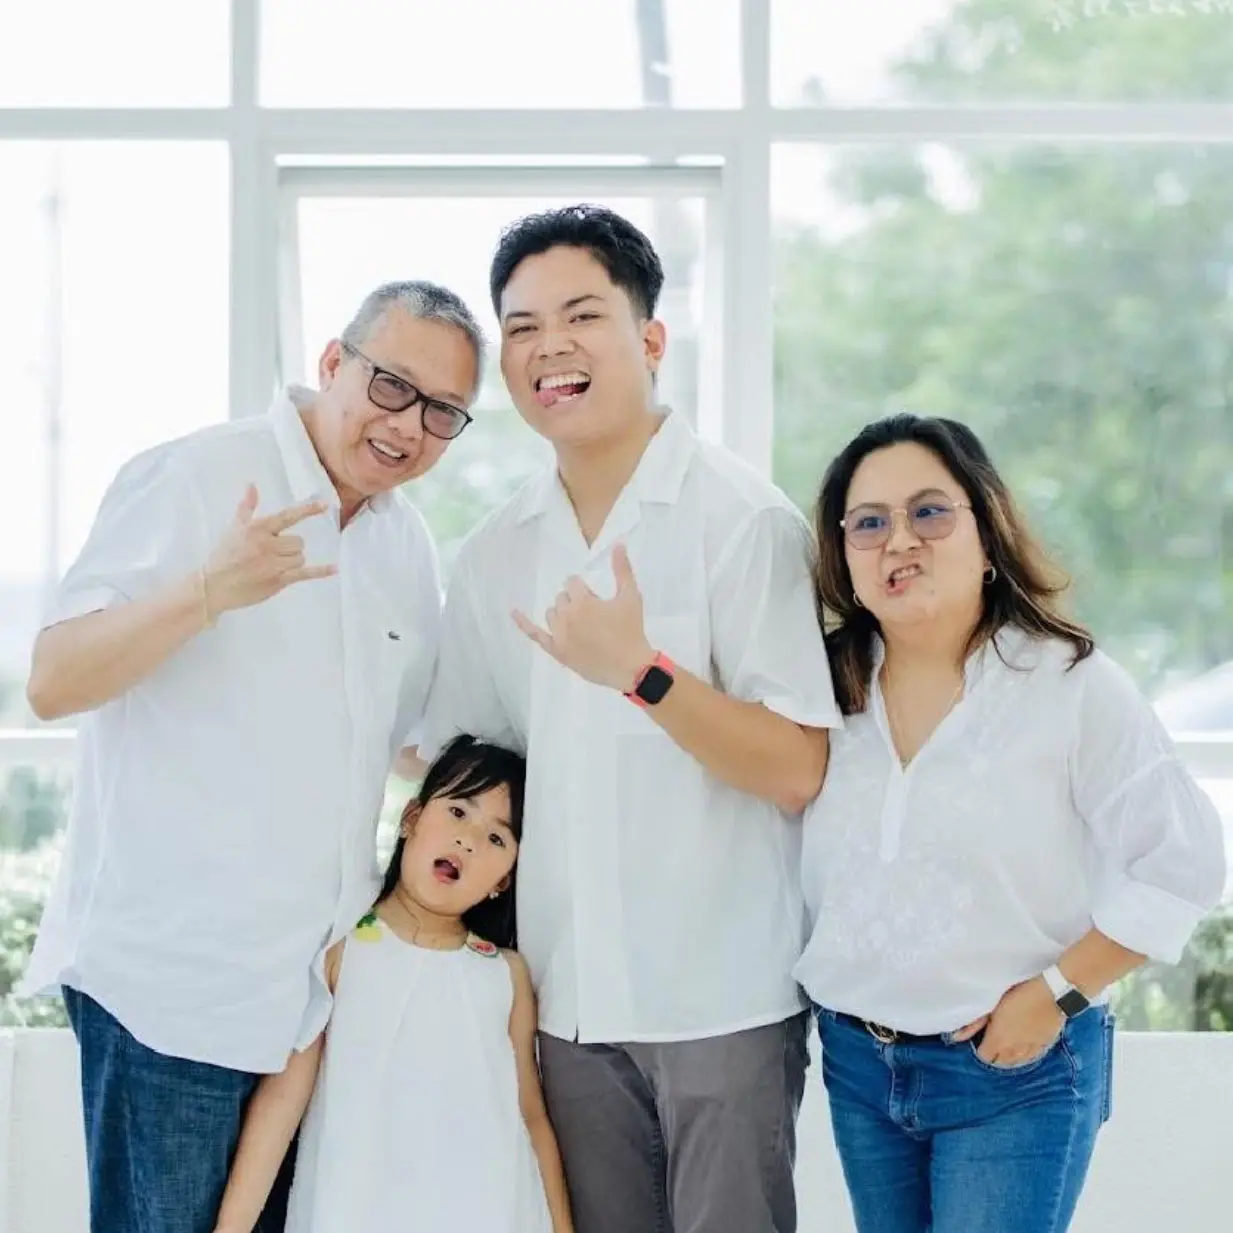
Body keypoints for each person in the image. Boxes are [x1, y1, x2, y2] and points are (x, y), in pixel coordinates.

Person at [19, 280, 485, 1233]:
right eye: (391, 385)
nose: (409, 426)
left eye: (443, 410)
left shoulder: (404, 546)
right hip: (170, 988)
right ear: (332, 362)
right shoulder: (199, 475)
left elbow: (409, 749)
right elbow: (54, 680)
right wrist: (207, 591)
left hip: (307, 1008)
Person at [421, 204, 841, 1233]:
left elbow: (797, 767)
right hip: (565, 1002)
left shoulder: (743, 521)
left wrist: (643, 675)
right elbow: (473, 772)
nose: (548, 347)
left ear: (650, 340)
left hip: (721, 1004)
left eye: (581, 316)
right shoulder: (494, 553)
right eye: (521, 327)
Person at [796, 413, 1227, 1233]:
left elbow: (1184, 861)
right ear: (842, 554)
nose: (898, 540)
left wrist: (1055, 993)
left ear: (986, 533)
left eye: (929, 511)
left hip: (1013, 1069)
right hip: (858, 1065)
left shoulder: (1069, 684)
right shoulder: (820, 690)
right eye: (868, 523)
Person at [211, 735, 573, 1233]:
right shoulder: (343, 947)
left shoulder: (504, 974)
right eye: (458, 812)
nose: (468, 840)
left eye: (497, 838)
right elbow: (283, 1099)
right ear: (411, 818)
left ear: (503, 880)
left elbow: (531, 1114)